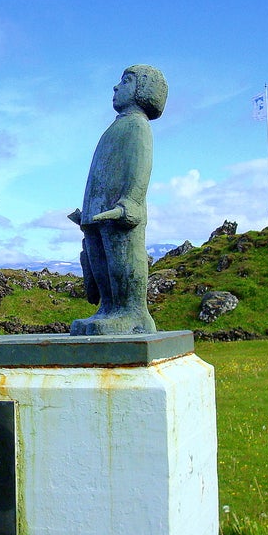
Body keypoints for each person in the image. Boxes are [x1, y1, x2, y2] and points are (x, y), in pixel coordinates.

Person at [69, 65, 167, 336]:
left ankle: (131, 312)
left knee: (122, 258)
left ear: (143, 90)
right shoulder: (115, 128)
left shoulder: (137, 126)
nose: (116, 87)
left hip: (118, 212)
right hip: (98, 212)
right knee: (97, 258)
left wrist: (132, 202)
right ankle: (109, 309)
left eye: (126, 81)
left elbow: (139, 167)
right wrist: (88, 211)